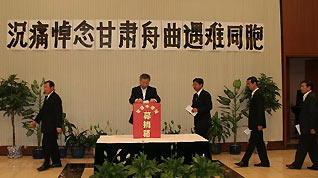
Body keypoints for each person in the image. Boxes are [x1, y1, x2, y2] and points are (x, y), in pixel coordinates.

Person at [235, 76, 270, 167]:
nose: (248, 86)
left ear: (254, 83)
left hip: (257, 124)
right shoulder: (254, 94)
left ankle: (245, 161)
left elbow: (260, 110)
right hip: (255, 123)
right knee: (260, 144)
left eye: (249, 84)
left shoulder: (258, 94)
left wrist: (259, 123)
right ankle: (265, 162)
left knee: (252, 143)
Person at [30, 80, 63, 171]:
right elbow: (42, 112)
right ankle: (57, 162)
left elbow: (58, 113)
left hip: (51, 127)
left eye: (46, 87)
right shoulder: (47, 97)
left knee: (46, 145)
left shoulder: (55, 98)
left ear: (52, 88)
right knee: (52, 145)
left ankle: (46, 163)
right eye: (44, 87)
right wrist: (36, 121)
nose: (44, 89)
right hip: (47, 126)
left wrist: (58, 126)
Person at [287, 80, 318, 170]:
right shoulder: (307, 96)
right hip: (306, 126)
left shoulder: (311, 97)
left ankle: (297, 164)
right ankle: (316, 164)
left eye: (303, 86)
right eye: (301, 86)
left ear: (309, 88)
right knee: (312, 147)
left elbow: (313, 113)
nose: (301, 88)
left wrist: (312, 127)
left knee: (302, 147)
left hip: (308, 127)